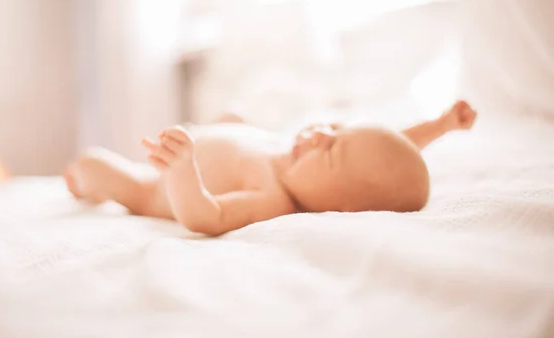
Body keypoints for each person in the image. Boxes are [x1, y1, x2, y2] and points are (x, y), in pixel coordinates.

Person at [65, 100, 477, 236]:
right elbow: (386, 147)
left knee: (97, 164)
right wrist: (440, 126)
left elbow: (207, 217)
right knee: (235, 115)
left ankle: (83, 181)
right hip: (203, 142)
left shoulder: (273, 198)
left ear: (341, 207)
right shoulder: (296, 153)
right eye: (334, 129)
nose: (319, 136)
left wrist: (182, 171)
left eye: (330, 151)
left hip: (159, 184)